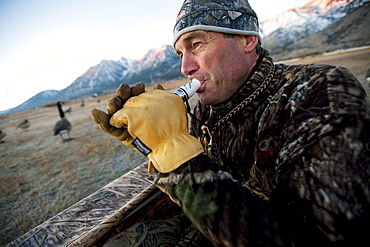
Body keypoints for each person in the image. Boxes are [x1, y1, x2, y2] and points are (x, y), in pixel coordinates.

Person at [91, 0, 370, 246]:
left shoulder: (320, 90)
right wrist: (151, 144)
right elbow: (200, 190)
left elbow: (318, 236)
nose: (185, 67)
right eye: (180, 53)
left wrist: (175, 151)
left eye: (197, 44)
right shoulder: (205, 111)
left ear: (248, 40)